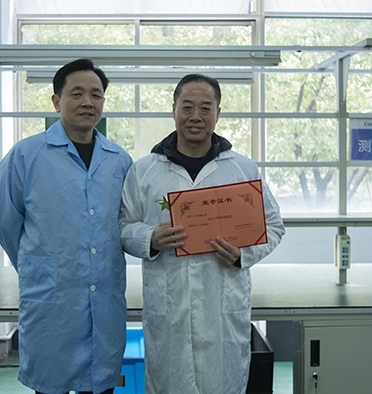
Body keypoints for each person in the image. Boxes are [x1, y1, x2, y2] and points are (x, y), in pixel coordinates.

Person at [119, 73, 285, 394]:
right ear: (173, 110)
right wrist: (150, 238)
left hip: (222, 310)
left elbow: (274, 226)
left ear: (218, 113)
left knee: (222, 383)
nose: (195, 116)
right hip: (169, 311)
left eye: (205, 108)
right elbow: (123, 226)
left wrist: (242, 255)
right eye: (187, 107)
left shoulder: (241, 170)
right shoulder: (144, 170)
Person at [0, 58, 132, 394]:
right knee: (50, 385)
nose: (87, 102)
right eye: (77, 94)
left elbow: (126, 222)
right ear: (57, 101)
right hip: (51, 302)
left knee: (100, 385)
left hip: (104, 299)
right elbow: (5, 223)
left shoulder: (119, 160)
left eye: (96, 95)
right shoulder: (26, 155)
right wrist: (36, 266)